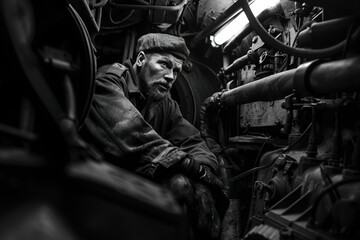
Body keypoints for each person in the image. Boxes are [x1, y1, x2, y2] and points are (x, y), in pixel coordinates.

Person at [80, 33, 228, 239]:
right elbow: (133, 136)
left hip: (129, 188)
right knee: (179, 183)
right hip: (91, 191)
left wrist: (204, 179)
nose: (170, 76)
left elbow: (193, 142)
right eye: (164, 65)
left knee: (194, 189)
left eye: (175, 71)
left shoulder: (164, 103)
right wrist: (191, 167)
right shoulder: (108, 82)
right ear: (140, 60)